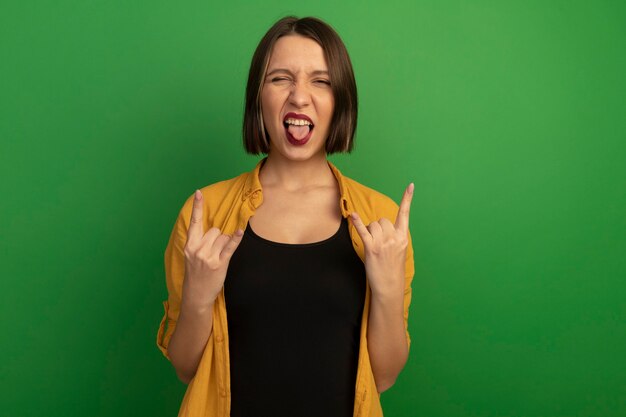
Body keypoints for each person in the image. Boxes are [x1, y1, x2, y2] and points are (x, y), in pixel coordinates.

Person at [156, 16, 415, 417]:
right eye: (280, 79)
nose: (299, 96)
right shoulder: (204, 214)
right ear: (258, 96)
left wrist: (386, 287)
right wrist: (198, 297)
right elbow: (184, 367)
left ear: (340, 99)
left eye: (321, 81)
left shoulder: (381, 220)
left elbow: (384, 376)